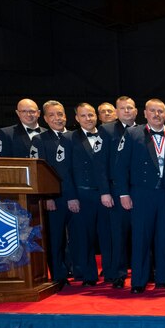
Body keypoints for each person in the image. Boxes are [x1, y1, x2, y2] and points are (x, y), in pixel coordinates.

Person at [114, 99, 165, 294]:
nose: (157, 115)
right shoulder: (133, 134)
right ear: (145, 113)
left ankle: (164, 278)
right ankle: (139, 281)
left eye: (161, 111)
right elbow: (120, 166)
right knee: (141, 237)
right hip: (141, 193)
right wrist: (123, 193)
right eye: (153, 111)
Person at [63, 103, 113, 286]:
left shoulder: (106, 136)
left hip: (105, 195)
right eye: (83, 116)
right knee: (84, 237)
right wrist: (71, 196)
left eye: (91, 115)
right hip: (82, 195)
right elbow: (65, 170)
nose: (88, 119)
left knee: (108, 236)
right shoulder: (68, 138)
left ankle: (110, 273)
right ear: (76, 118)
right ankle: (88, 276)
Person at [30, 101, 71, 286]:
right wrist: (47, 197)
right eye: (53, 115)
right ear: (45, 119)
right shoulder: (40, 140)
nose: (58, 118)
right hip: (53, 198)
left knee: (76, 238)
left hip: (74, 197)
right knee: (55, 238)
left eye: (60, 114)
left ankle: (76, 271)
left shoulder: (73, 137)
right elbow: (39, 170)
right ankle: (58, 275)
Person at [100, 96, 137, 288]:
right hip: (116, 191)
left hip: (141, 190)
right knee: (119, 234)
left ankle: (143, 271)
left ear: (137, 111)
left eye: (130, 108)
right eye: (123, 108)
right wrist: (105, 191)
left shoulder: (143, 130)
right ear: (116, 111)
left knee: (141, 233)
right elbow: (102, 163)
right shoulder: (106, 130)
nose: (127, 111)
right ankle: (118, 274)